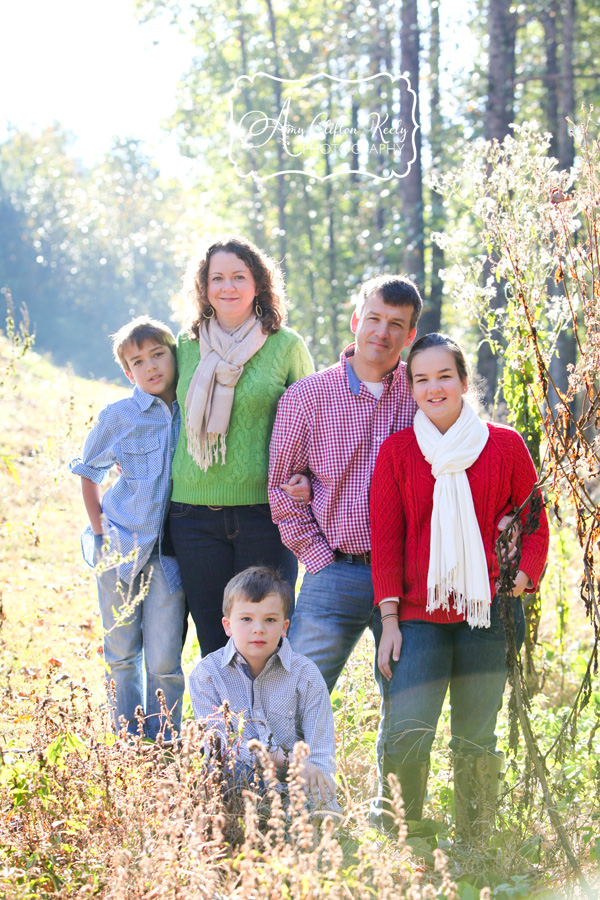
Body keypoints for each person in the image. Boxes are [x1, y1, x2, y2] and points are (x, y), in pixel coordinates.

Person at [370, 333, 549, 836]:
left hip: (488, 611)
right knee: (409, 726)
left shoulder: (505, 445)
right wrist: (388, 623)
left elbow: (535, 522)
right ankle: (403, 831)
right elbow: (385, 544)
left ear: (465, 381)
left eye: (444, 375)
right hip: (418, 614)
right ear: (410, 388)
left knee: (476, 732)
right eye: (421, 378)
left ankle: (475, 833)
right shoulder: (398, 452)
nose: (434, 387)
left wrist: (522, 575)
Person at [269, 274, 422, 694]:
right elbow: (282, 489)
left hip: (411, 573)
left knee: (408, 703)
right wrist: (320, 558)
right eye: (374, 318)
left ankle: (397, 765)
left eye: (396, 324)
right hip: (337, 569)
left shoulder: (422, 390)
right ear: (356, 320)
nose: (382, 331)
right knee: (296, 697)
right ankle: (280, 763)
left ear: (410, 335)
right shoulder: (306, 397)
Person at [169, 236, 313, 657]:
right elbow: (160, 410)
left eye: (238, 277)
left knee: (267, 642)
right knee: (216, 643)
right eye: (217, 278)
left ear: (258, 285)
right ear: (204, 287)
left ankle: (272, 725)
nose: (227, 287)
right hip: (192, 516)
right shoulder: (185, 345)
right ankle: (223, 724)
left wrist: (307, 476)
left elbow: (312, 420)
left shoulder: (285, 345)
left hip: (265, 516)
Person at [70, 316, 186, 740]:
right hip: (118, 545)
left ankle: (166, 743)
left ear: (174, 354)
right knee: (121, 652)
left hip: (167, 555)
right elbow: (88, 470)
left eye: (158, 355)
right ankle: (129, 743)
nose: (151, 367)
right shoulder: (119, 416)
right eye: (138, 361)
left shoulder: (192, 408)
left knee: (164, 658)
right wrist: (100, 533)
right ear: (127, 371)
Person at [189, 566, 338, 809]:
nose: (258, 628)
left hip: (296, 792)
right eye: (246, 619)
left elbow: (321, 756)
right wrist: (284, 758)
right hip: (236, 791)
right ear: (227, 625)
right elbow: (220, 749)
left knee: (318, 819)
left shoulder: (306, 675)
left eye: (270, 620)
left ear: (284, 627)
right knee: (228, 771)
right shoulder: (207, 675)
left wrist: (321, 807)